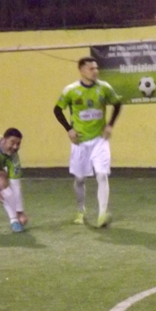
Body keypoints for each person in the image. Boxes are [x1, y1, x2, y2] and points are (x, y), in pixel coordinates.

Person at [54, 57, 123, 227]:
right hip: (80, 142)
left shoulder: (104, 88)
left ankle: (102, 214)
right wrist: (69, 129)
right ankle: (80, 209)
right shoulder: (71, 90)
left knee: (102, 175)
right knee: (79, 179)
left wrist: (110, 125)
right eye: (91, 68)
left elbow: (117, 104)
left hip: (100, 140)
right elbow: (57, 110)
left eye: (96, 68)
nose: (95, 71)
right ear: (82, 70)